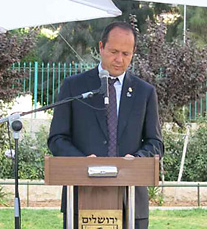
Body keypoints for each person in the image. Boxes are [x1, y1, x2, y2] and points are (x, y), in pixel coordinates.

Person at [48, 21, 164, 229]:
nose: (119, 60)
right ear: (101, 47)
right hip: (81, 198)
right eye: (113, 51)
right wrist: (82, 162)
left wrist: (137, 160)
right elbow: (57, 139)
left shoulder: (145, 92)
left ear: (133, 52)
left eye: (126, 54)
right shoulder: (74, 86)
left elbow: (155, 142)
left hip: (131, 201)